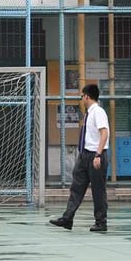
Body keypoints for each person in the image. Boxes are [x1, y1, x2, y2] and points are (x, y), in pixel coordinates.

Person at [50, 84, 109, 232]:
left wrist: (98, 155)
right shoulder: (89, 113)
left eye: (82, 96)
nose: (82, 99)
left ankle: (101, 222)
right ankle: (67, 218)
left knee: (98, 190)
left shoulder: (98, 112)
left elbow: (104, 133)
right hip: (85, 155)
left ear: (87, 96)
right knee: (76, 187)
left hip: (95, 155)